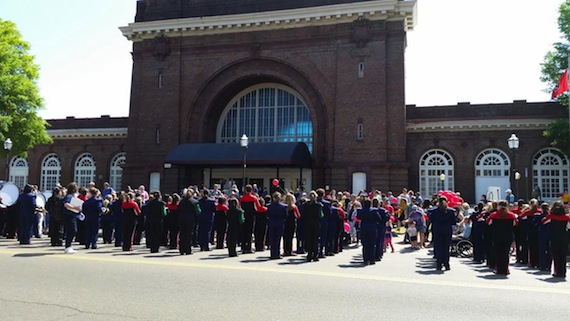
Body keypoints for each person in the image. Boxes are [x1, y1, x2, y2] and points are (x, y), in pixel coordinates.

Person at [486, 200, 518, 275]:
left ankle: (499, 269)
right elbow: (515, 223)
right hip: (507, 236)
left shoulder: (493, 215)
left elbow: (488, 222)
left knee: (498, 253)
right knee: (506, 253)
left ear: (499, 206)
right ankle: (505, 269)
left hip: (497, 236)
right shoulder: (511, 215)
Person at [541, 200, 570, 278]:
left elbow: (543, 222)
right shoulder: (567, 217)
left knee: (556, 256)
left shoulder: (551, 216)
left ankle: (557, 271)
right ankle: (563, 272)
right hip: (564, 238)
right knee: (563, 256)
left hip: (554, 237)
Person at [428, 196, 456, 271]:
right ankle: (446, 264)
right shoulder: (451, 211)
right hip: (447, 230)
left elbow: (431, 220)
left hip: (437, 230)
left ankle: (439, 264)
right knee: (446, 248)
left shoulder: (434, 211)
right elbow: (454, 222)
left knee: (438, 248)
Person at [357, 198, 382, 265]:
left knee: (365, 244)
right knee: (372, 244)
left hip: (363, 228)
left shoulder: (360, 210)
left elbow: (358, 217)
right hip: (372, 228)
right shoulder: (374, 211)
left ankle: (366, 259)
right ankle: (372, 259)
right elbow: (379, 219)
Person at [239, 184, 262, 254]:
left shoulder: (242, 198)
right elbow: (258, 207)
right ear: (251, 190)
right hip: (251, 216)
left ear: (245, 190)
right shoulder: (254, 198)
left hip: (244, 216)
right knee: (249, 232)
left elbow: (239, 207)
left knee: (243, 231)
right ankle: (249, 247)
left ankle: (243, 247)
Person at [178, 189, 200, 255]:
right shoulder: (195, 202)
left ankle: (181, 249)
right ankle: (188, 250)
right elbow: (198, 211)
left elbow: (178, 209)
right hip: (190, 220)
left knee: (182, 234)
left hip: (181, 218)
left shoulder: (181, 201)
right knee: (189, 234)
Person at [266, 192, 288, 259]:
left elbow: (267, 215)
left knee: (272, 239)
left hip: (272, 223)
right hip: (280, 223)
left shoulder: (269, 206)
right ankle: (277, 254)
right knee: (278, 239)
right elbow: (286, 216)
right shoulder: (284, 206)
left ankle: (272, 254)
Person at [303, 190, 323, 262]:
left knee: (309, 239)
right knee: (315, 239)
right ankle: (315, 255)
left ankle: (309, 255)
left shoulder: (306, 205)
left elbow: (303, 215)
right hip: (316, 224)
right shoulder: (319, 205)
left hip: (308, 223)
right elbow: (321, 215)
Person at [63, 182, 81, 254]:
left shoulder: (71, 196)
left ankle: (68, 246)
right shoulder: (69, 196)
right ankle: (68, 246)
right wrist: (75, 208)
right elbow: (66, 205)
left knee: (72, 231)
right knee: (72, 230)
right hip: (69, 216)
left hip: (72, 216)